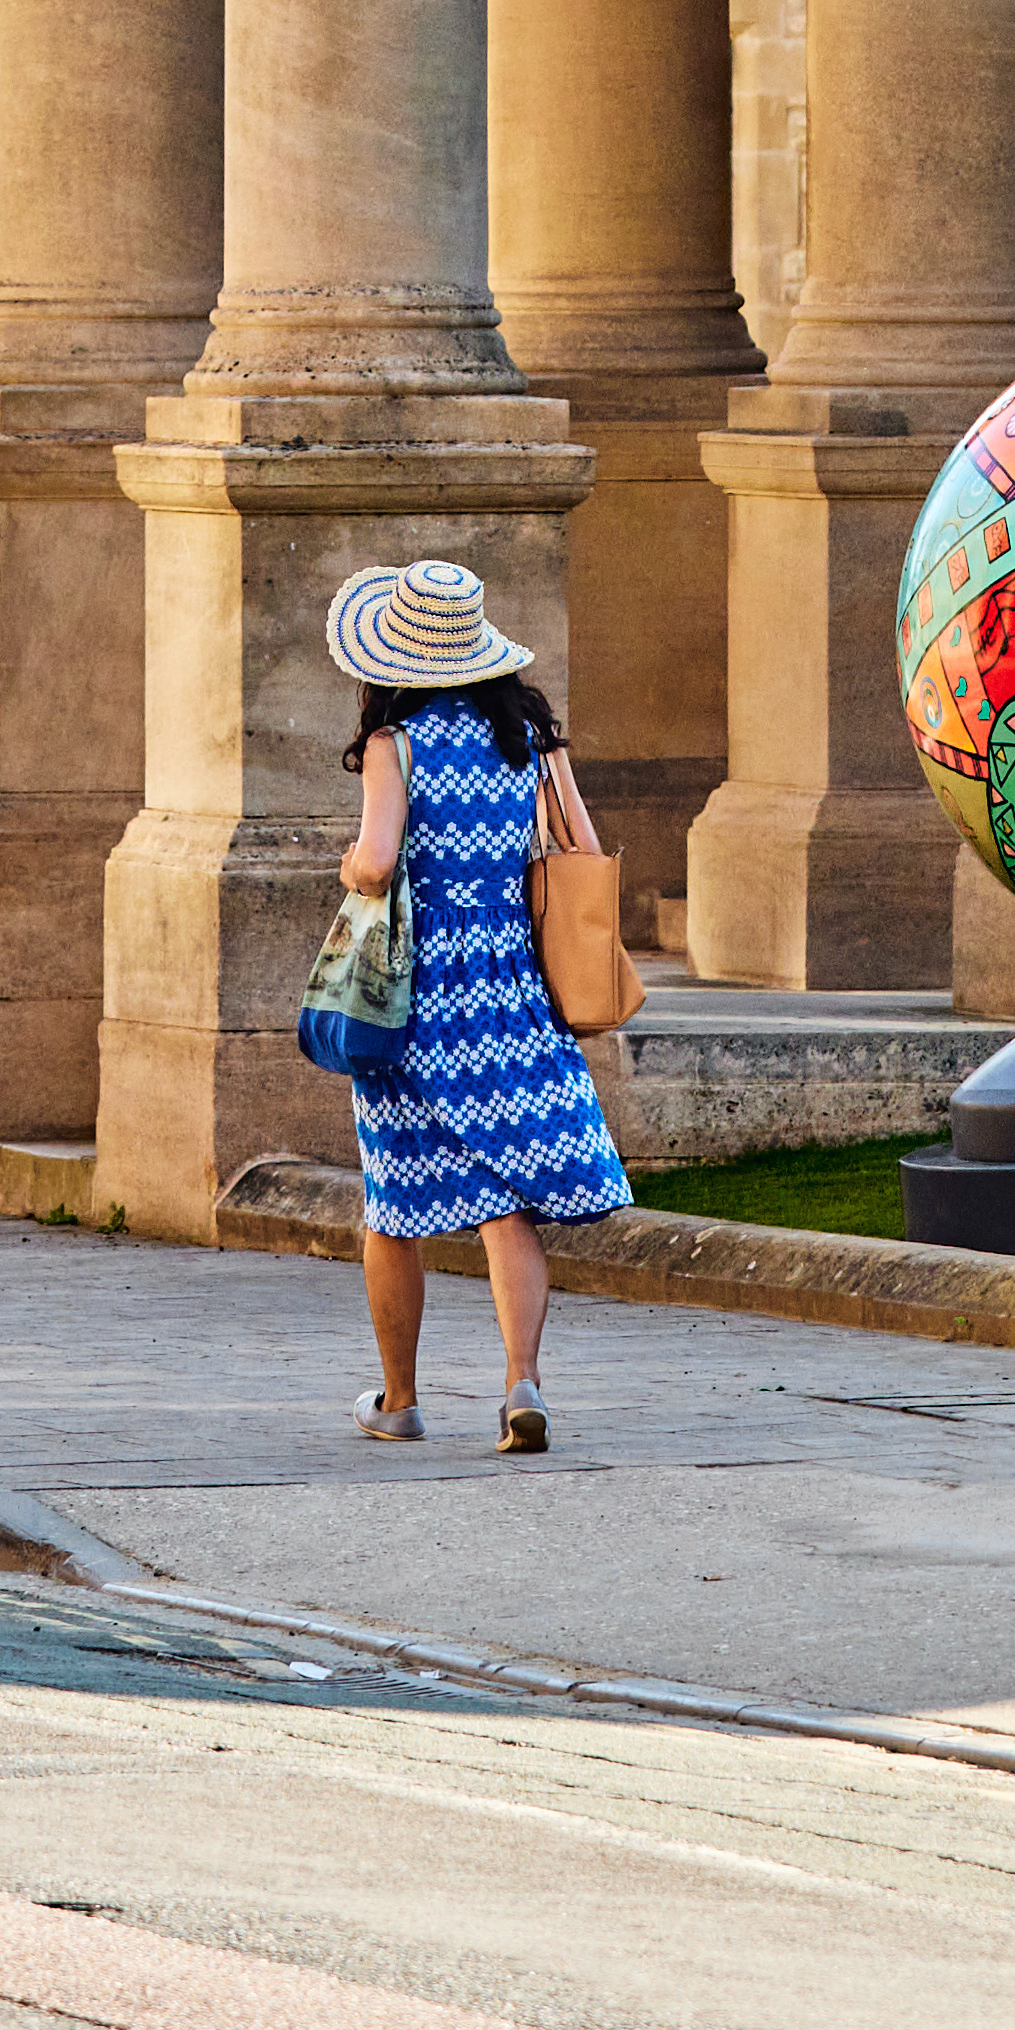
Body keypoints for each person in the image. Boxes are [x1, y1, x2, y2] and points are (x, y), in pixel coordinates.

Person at [321, 559, 624, 1452]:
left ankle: (401, 1400)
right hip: (510, 987)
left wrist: (350, 868)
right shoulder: (530, 741)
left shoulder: (395, 746)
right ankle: (521, 1383)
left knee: (393, 1201)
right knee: (510, 1198)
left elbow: (375, 864)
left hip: (414, 993)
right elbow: (587, 847)